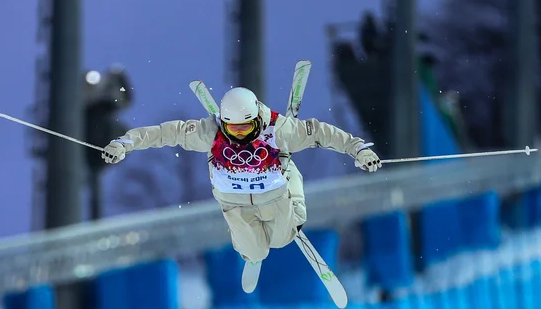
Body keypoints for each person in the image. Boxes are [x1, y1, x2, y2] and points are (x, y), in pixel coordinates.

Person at [103, 87, 381, 292]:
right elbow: (164, 133)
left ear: (256, 120)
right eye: (232, 129)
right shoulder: (211, 131)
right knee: (254, 249)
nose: (238, 136)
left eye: (244, 128)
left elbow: (322, 133)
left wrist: (357, 149)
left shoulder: (278, 128)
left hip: (274, 191)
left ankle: (293, 206)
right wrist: (125, 144)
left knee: (282, 236)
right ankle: (254, 254)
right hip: (234, 201)